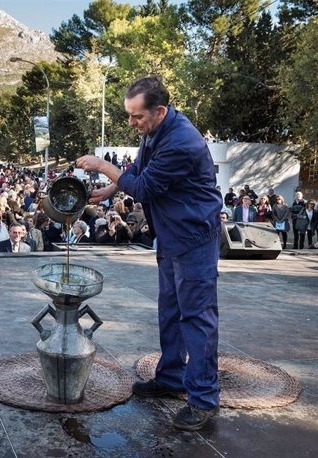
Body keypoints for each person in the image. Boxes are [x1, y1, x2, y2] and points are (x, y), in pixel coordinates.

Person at [77, 76, 222, 431]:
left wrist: (103, 166)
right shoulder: (155, 130)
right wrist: (112, 186)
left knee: (197, 317)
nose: (131, 123)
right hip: (172, 234)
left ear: (158, 111)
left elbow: (144, 187)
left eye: (136, 116)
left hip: (194, 237)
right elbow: (139, 170)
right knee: (170, 311)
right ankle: (171, 378)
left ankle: (203, 400)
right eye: (129, 115)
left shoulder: (182, 142)